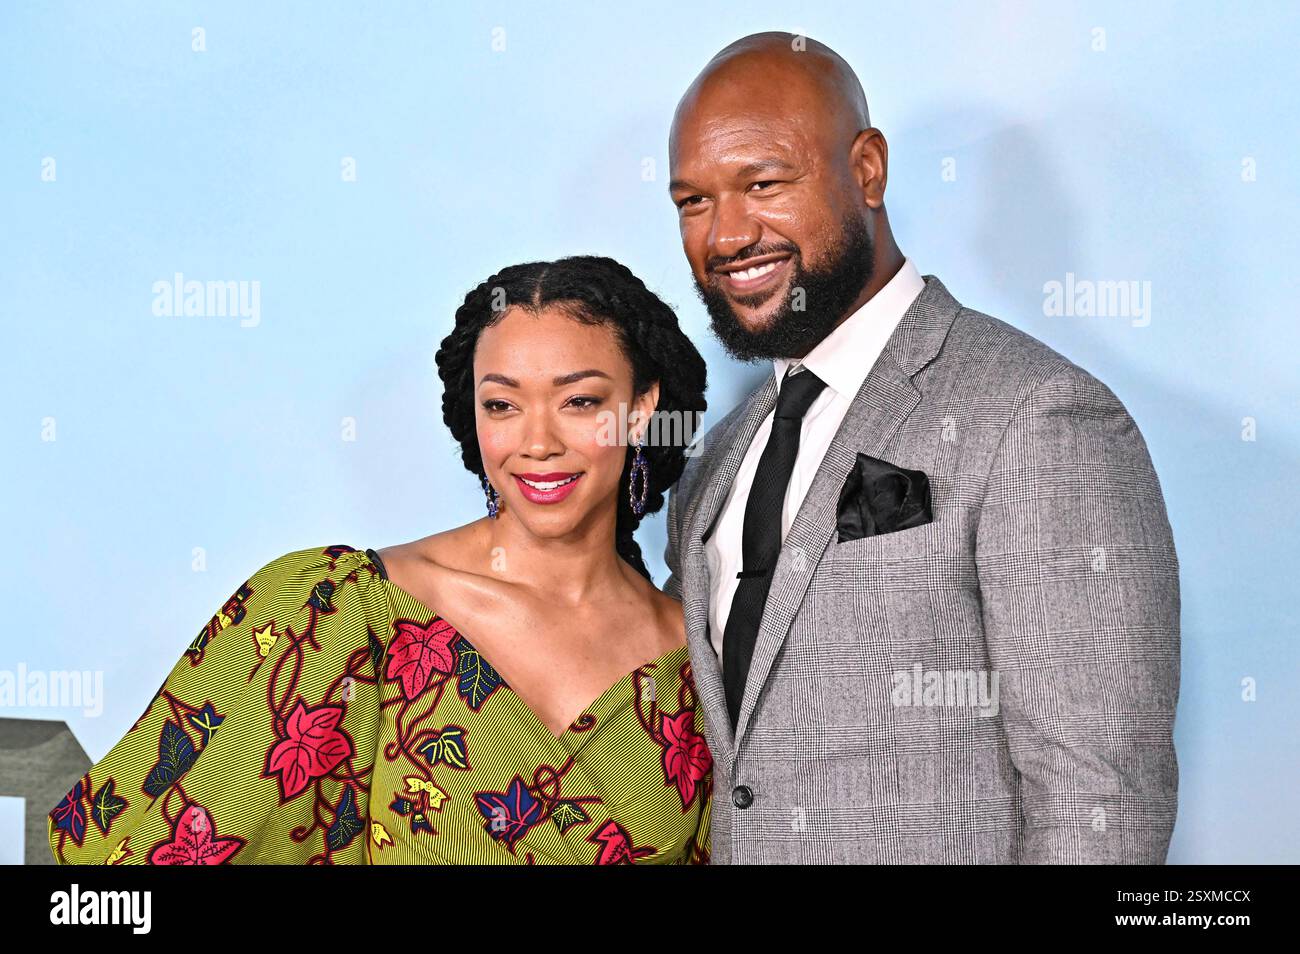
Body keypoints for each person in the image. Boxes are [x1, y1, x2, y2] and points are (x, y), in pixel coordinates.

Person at [661, 33, 1181, 863]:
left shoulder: (1038, 414)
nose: (726, 234)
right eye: (693, 201)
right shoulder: (722, 458)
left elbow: (1100, 803)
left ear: (867, 168)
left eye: (763, 183)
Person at [48, 255, 713, 864]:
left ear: (640, 409)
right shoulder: (345, 611)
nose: (537, 442)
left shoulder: (700, 663)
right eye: (502, 405)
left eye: (579, 401)